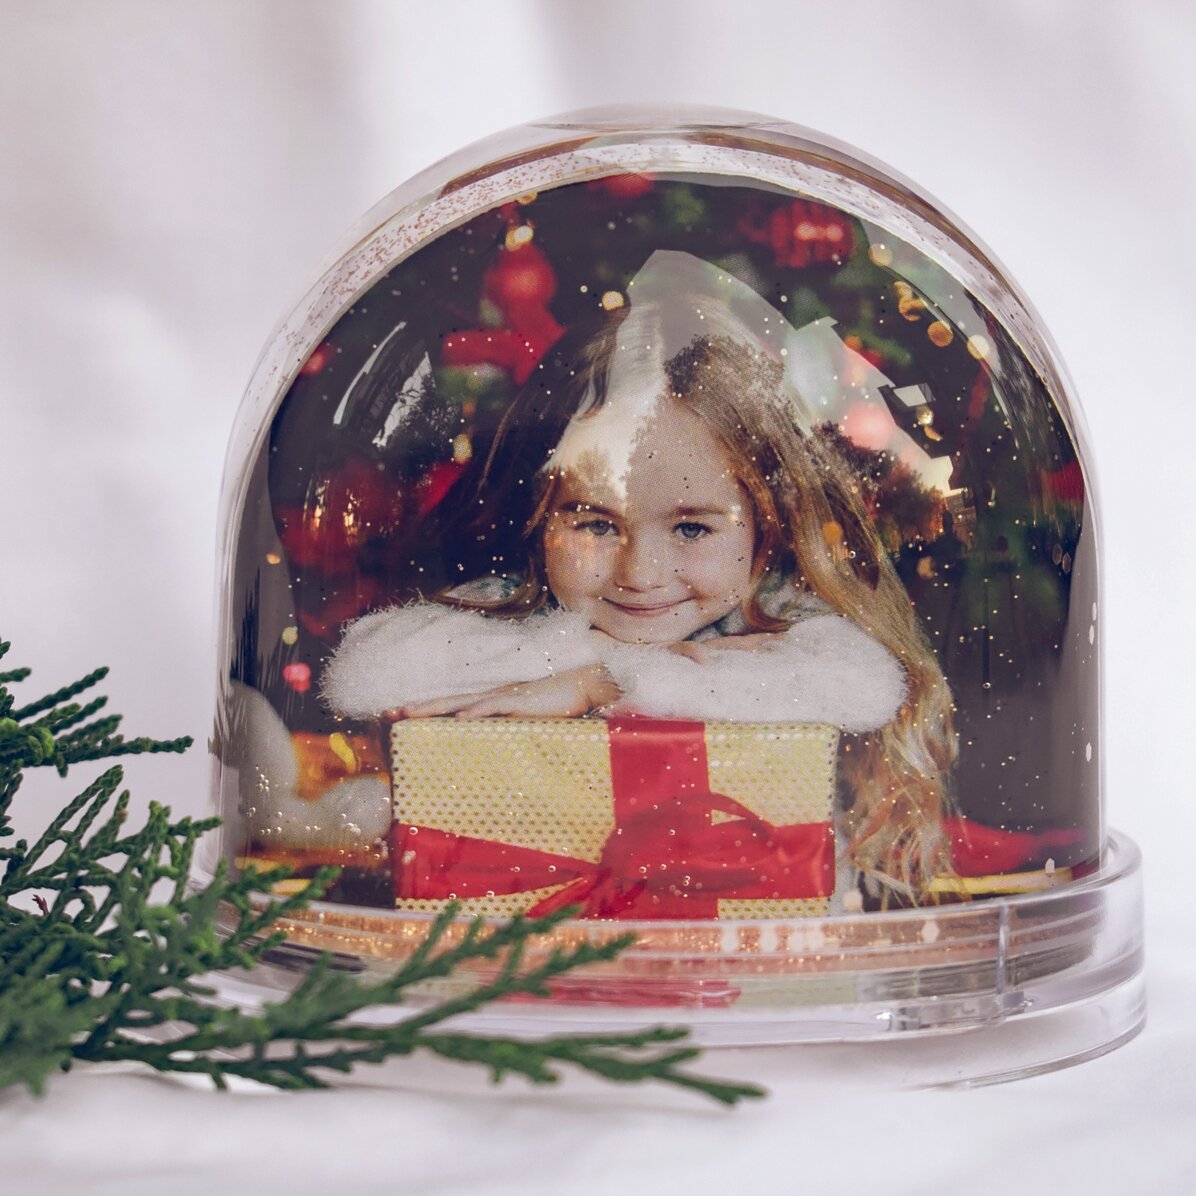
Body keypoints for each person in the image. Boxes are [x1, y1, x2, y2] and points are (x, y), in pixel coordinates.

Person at [323, 251, 958, 903]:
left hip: (748, 946)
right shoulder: (519, 605)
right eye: (595, 523)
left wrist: (603, 682)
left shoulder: (776, 619)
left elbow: (862, 686)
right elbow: (369, 671)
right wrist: (578, 663)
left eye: (692, 529)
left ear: (766, 522)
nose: (640, 574)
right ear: (540, 514)